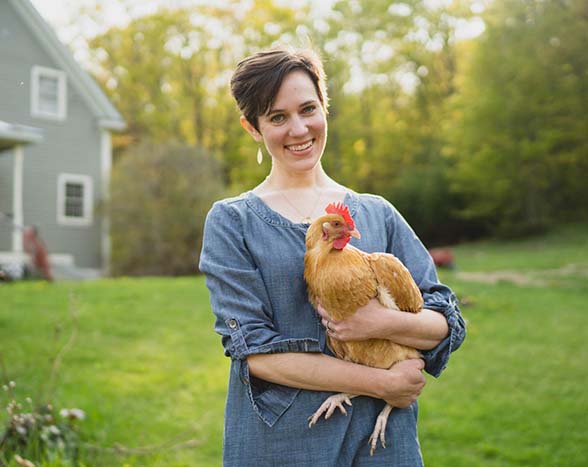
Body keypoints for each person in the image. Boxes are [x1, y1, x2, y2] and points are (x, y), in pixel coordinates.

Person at [199, 46, 465, 466]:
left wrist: (381, 322)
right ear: (252, 127)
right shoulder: (233, 222)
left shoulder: (377, 214)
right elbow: (255, 351)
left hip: (382, 443)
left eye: (308, 109)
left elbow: (445, 323)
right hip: (283, 444)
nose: (298, 128)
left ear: (325, 108)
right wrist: (383, 384)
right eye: (277, 117)